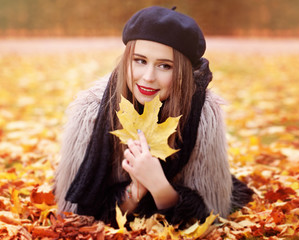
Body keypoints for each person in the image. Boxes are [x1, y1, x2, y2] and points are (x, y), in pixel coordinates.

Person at [54, 6, 253, 228]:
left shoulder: (204, 116)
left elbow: (209, 218)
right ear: (126, 60)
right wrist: (135, 190)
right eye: (140, 61)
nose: (148, 77)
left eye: (165, 66)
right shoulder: (90, 110)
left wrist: (159, 187)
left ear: (182, 73)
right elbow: (77, 216)